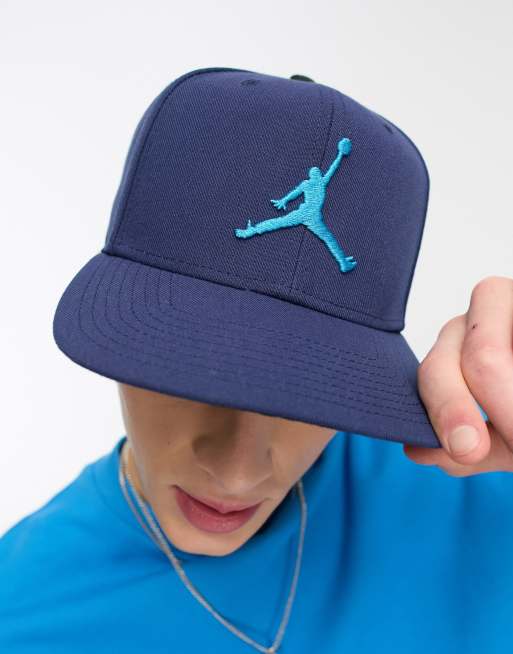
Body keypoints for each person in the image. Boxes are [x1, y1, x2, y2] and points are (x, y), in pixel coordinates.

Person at [1, 66, 512, 653]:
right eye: (193, 366)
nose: (239, 473)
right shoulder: (18, 613)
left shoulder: (482, 474)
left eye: (316, 386)